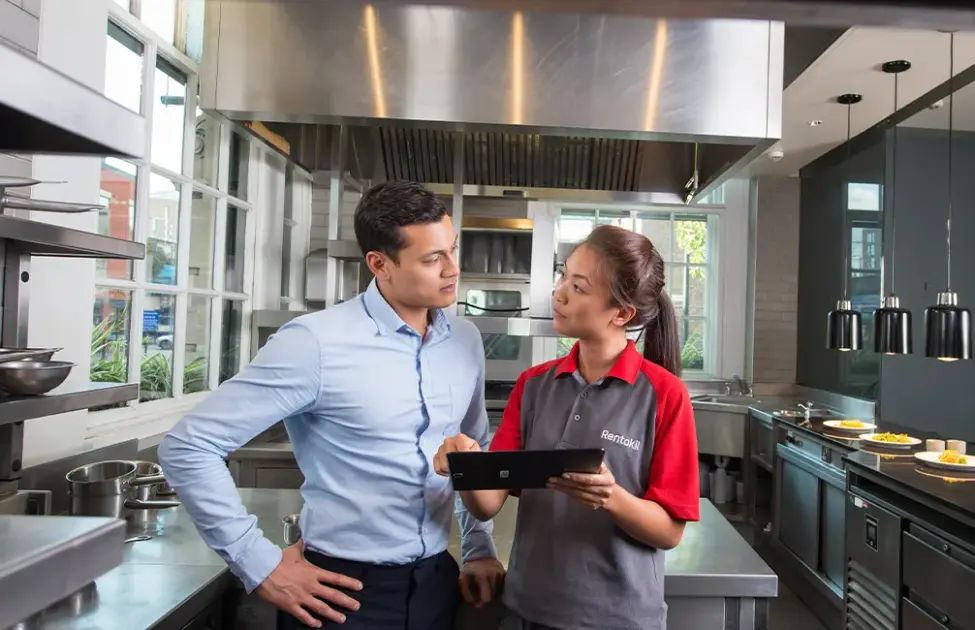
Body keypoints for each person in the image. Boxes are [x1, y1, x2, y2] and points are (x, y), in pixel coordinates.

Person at [159, 180, 505, 630]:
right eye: (432, 258)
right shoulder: (314, 343)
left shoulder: (464, 341)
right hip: (341, 593)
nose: (453, 269)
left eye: (452, 250)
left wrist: (478, 546)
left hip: (437, 583)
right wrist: (259, 562)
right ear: (380, 264)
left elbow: (473, 446)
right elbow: (188, 447)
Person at [435, 224, 700, 630]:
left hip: (620, 618)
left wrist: (611, 497)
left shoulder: (665, 395)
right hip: (527, 611)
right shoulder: (534, 385)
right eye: (563, 276)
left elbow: (669, 532)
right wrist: (465, 465)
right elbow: (489, 502)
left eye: (578, 287)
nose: (558, 293)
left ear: (622, 314)